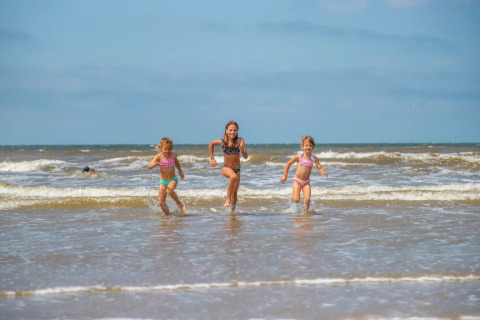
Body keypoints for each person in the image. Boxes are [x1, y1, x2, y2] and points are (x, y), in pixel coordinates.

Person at [209, 120, 248, 213]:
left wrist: (242, 150)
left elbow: (246, 157)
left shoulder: (240, 140)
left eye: (234, 130)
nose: (232, 132)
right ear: (226, 130)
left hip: (237, 169)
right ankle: (227, 199)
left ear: (237, 131)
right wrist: (212, 158)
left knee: (234, 193)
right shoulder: (223, 141)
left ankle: (231, 213)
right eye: (230, 130)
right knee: (232, 176)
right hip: (225, 168)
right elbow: (211, 144)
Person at [280, 135, 328, 212]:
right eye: (306, 145)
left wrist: (322, 171)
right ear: (303, 146)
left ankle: (305, 213)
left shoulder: (314, 158)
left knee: (307, 199)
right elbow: (288, 164)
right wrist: (285, 176)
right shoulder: (299, 156)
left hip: (306, 182)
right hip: (297, 181)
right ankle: (293, 196)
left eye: (310, 145)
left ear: (313, 147)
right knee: (296, 200)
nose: (308, 147)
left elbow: (319, 166)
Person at [148, 137, 186, 214]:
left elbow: (177, 163)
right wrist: (155, 163)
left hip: (173, 179)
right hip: (163, 182)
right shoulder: (159, 156)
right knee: (161, 203)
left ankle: (179, 203)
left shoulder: (174, 155)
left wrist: (180, 172)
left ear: (171, 148)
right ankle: (167, 217)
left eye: (169, 149)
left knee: (169, 191)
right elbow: (149, 166)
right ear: (161, 148)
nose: (167, 151)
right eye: (165, 149)